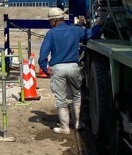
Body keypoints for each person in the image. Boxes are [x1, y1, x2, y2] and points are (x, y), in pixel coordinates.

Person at [38, 7, 100, 135]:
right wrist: (100, 24)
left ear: (54, 21)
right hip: (73, 67)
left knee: (61, 99)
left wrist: (45, 68)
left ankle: (64, 127)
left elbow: (43, 54)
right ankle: (78, 123)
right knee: (76, 96)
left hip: (58, 68)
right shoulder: (75, 30)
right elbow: (91, 34)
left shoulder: (51, 33)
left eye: (50, 21)